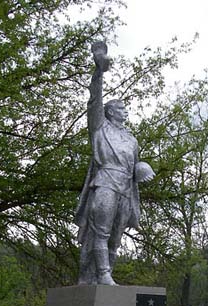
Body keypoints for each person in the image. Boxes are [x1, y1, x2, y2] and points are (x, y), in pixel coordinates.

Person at [75, 42, 154, 285]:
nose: (125, 111)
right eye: (120, 107)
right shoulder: (99, 126)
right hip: (105, 183)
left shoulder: (131, 138)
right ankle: (102, 275)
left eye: (125, 108)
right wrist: (98, 70)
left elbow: (134, 164)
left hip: (125, 189)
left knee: (116, 238)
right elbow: (94, 99)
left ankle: (106, 274)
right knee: (102, 231)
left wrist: (143, 167)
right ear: (109, 112)